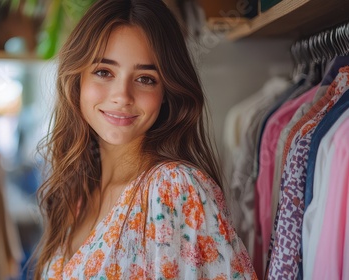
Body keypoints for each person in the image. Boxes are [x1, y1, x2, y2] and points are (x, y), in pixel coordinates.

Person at [35, 0, 257, 279]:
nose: (122, 96)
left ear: (167, 91)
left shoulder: (174, 189)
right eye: (104, 72)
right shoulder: (78, 194)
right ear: (77, 80)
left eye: (145, 79)